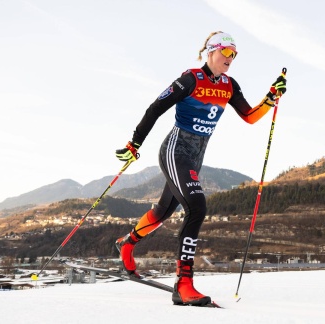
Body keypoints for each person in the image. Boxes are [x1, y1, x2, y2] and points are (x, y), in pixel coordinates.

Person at [113, 31, 286, 306]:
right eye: (227, 52)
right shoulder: (191, 79)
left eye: (235, 54)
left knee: (162, 212)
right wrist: (135, 143)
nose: (231, 58)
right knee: (197, 206)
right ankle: (183, 284)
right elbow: (156, 108)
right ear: (211, 52)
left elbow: (250, 117)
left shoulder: (229, 85)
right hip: (175, 150)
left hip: (194, 158)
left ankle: (127, 244)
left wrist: (270, 97)